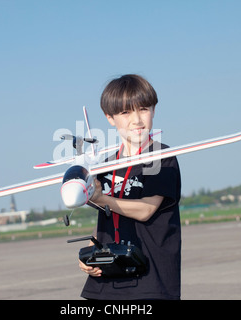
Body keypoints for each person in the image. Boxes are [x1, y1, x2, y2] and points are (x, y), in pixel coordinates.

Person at [79, 74, 181, 300]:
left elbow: (146, 210)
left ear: (153, 110)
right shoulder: (106, 164)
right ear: (110, 118)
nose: (137, 120)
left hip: (150, 280)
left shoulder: (161, 157)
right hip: (106, 281)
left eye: (143, 109)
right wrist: (89, 254)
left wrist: (100, 198)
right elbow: (104, 217)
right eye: (125, 112)